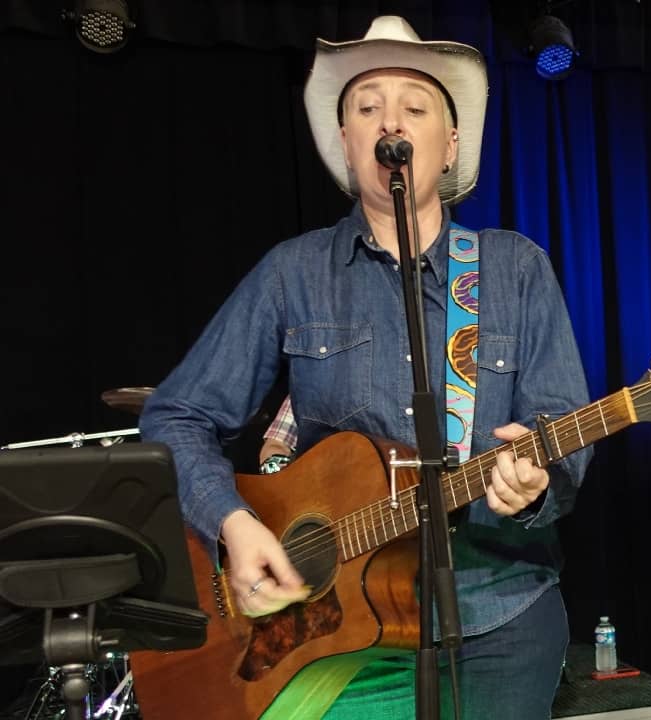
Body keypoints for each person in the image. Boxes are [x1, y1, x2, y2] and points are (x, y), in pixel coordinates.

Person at [140, 15, 591, 720]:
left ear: (451, 146)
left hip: (500, 615)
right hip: (337, 635)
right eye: (367, 106)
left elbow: (563, 427)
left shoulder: (515, 269)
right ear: (348, 145)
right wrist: (233, 523)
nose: (392, 122)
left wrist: (533, 486)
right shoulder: (292, 273)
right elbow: (176, 415)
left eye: (415, 107)